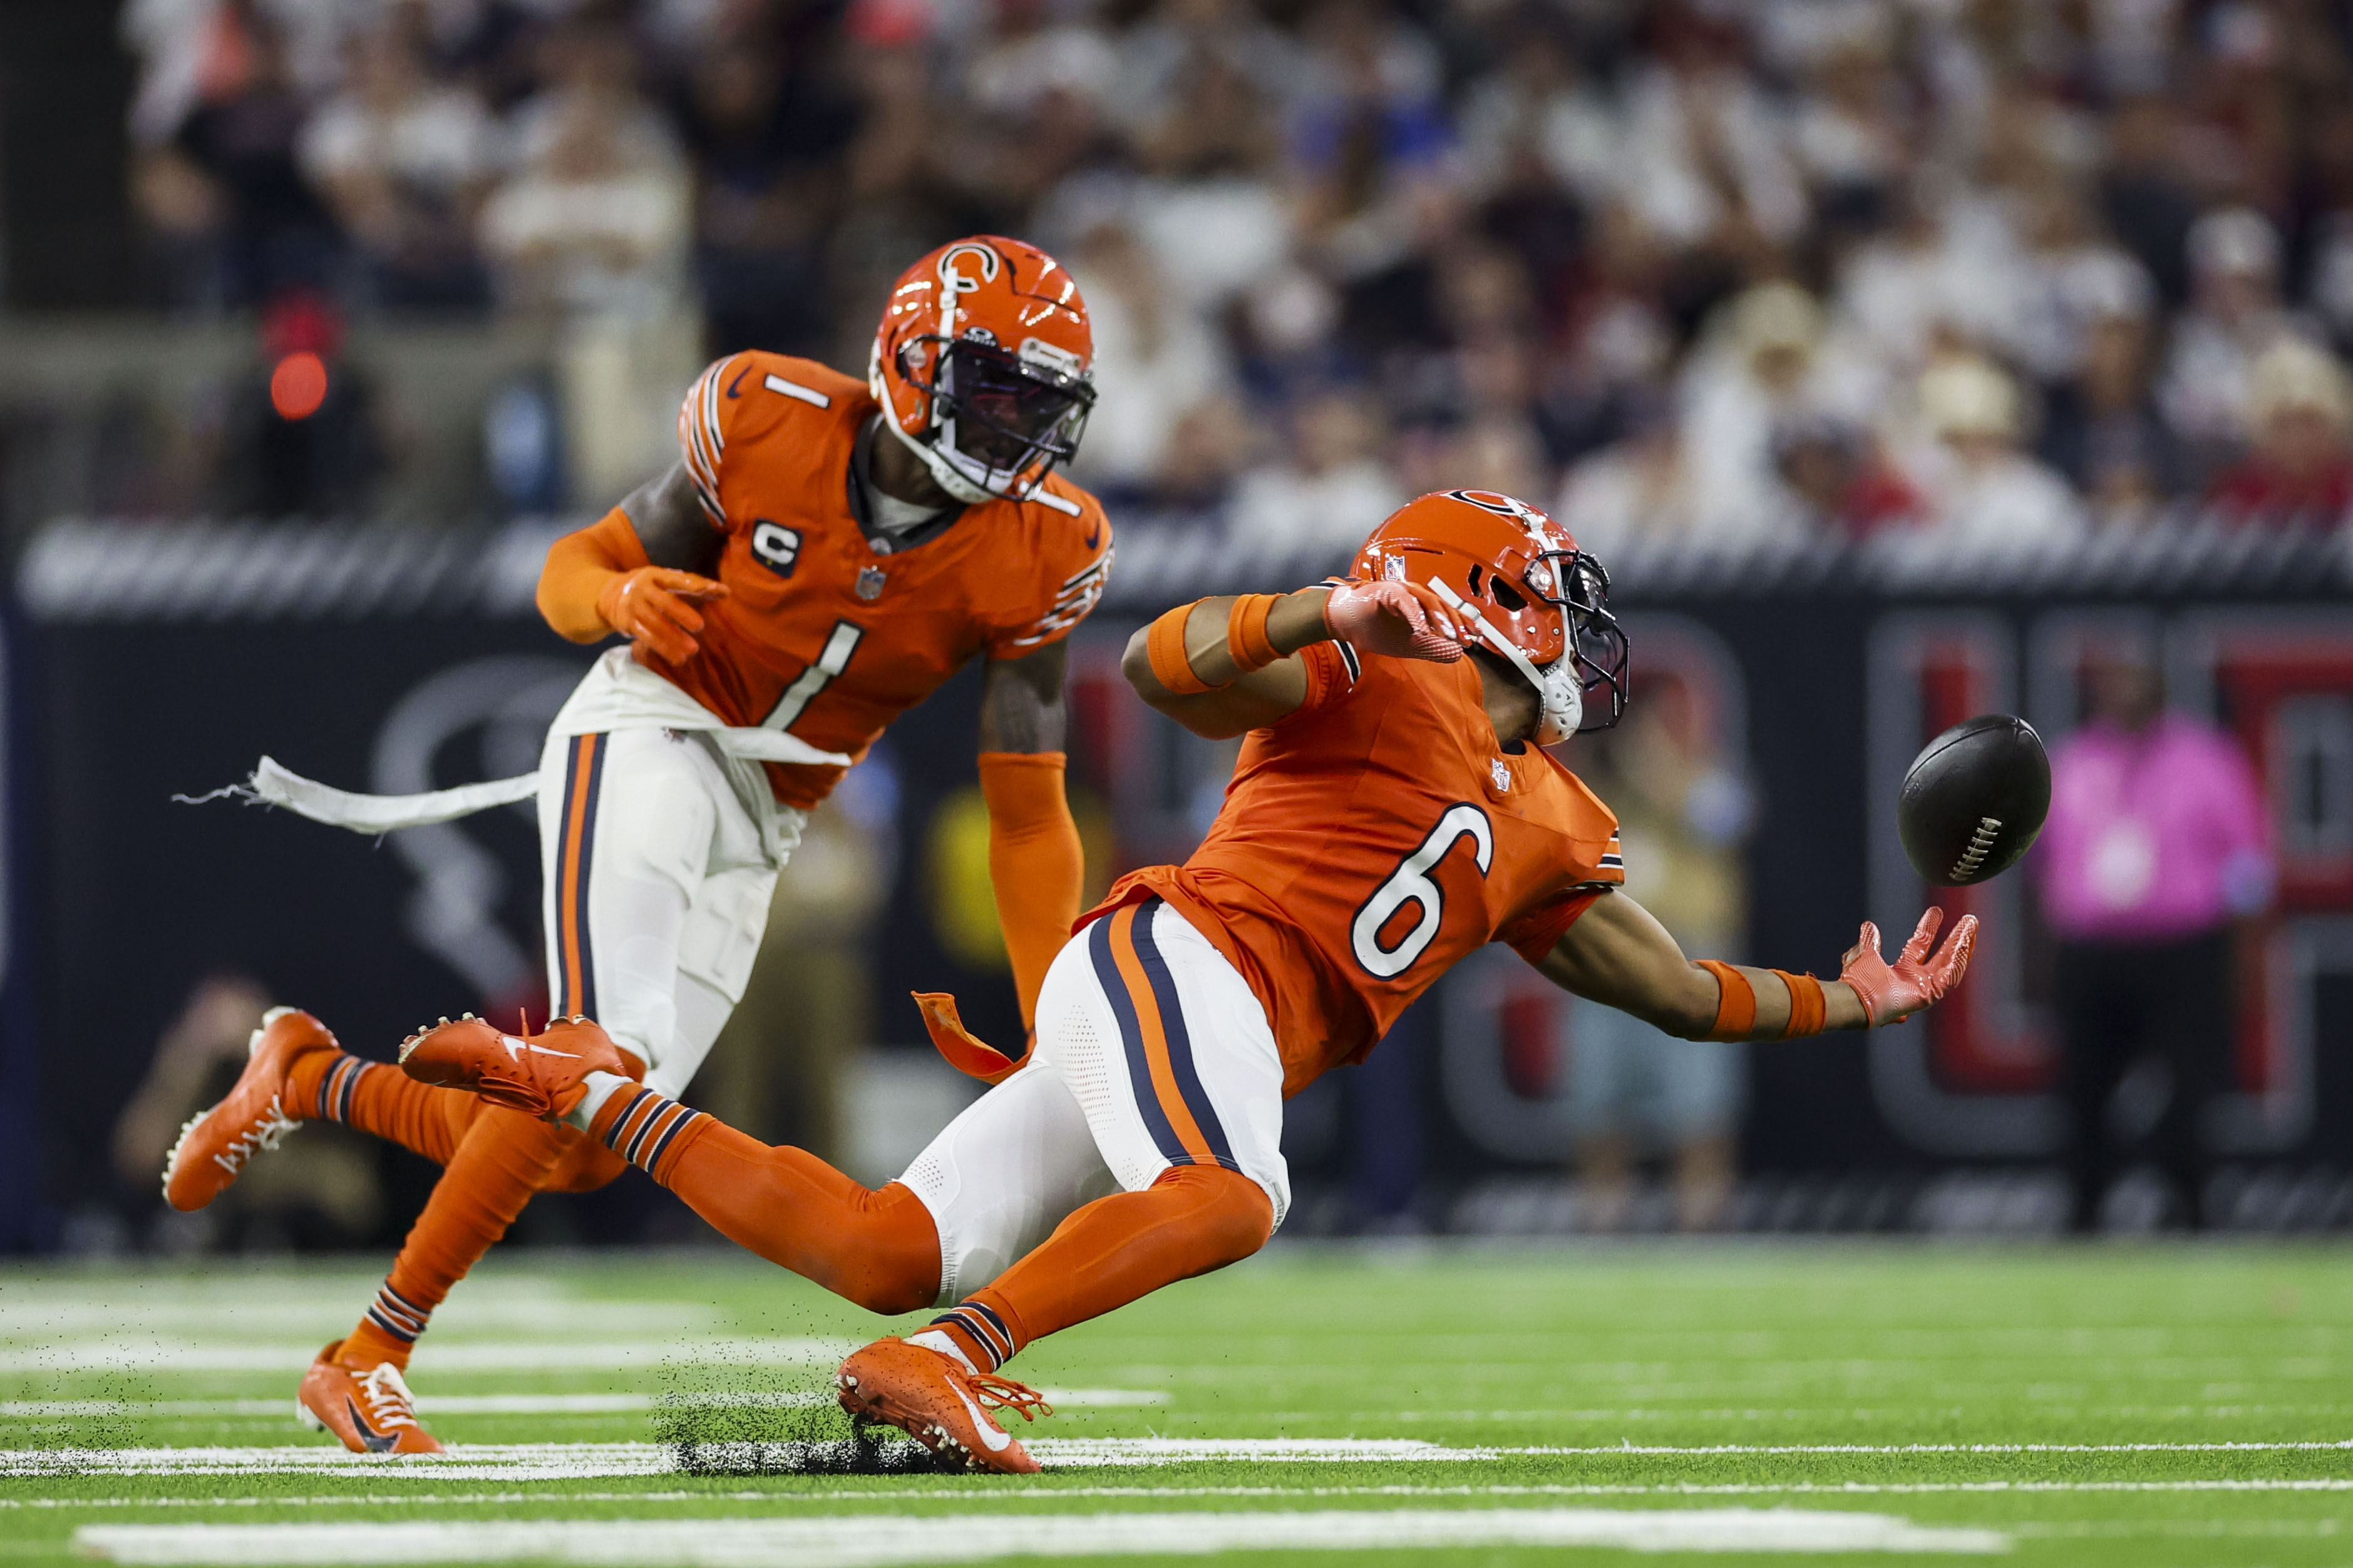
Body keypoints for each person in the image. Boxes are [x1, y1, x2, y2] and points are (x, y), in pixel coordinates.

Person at [399, 488, 1976, 1474]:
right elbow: (1161, 661)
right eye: (1551, 594)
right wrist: (1323, 608)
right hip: (1180, 955)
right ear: (1475, 595)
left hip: (1200, 1016)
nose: (1579, 633)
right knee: (1234, 1192)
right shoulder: (1385, 659)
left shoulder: (1558, 813)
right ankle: (947, 1361)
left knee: (889, 1245)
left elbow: (1676, 988)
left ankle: (598, 1095)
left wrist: (1857, 998)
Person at [161, 235, 1113, 1453]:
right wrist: (619, 602)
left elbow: (1029, 805)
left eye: (1039, 406)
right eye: (994, 393)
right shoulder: (768, 417)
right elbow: (578, 566)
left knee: (588, 1145)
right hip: (653, 727)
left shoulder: (1047, 542)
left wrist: (1053, 1017)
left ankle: (304, 1076)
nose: (1015, 431)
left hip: (771, 814)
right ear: (909, 363)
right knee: (592, 1063)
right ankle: (365, 1351)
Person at [2036, 647, 2272, 1231]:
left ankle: (2192, 1209)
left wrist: (2246, 948)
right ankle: (2084, 1213)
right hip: (2092, 951)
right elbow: (2047, 867)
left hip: (2181, 947)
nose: (2125, 699)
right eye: (2116, 686)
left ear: (2163, 695)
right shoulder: (2073, 762)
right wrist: (2047, 952)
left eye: (2137, 687)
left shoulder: (2206, 760)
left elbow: (2247, 865)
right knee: (2082, 1088)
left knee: (2193, 1085)